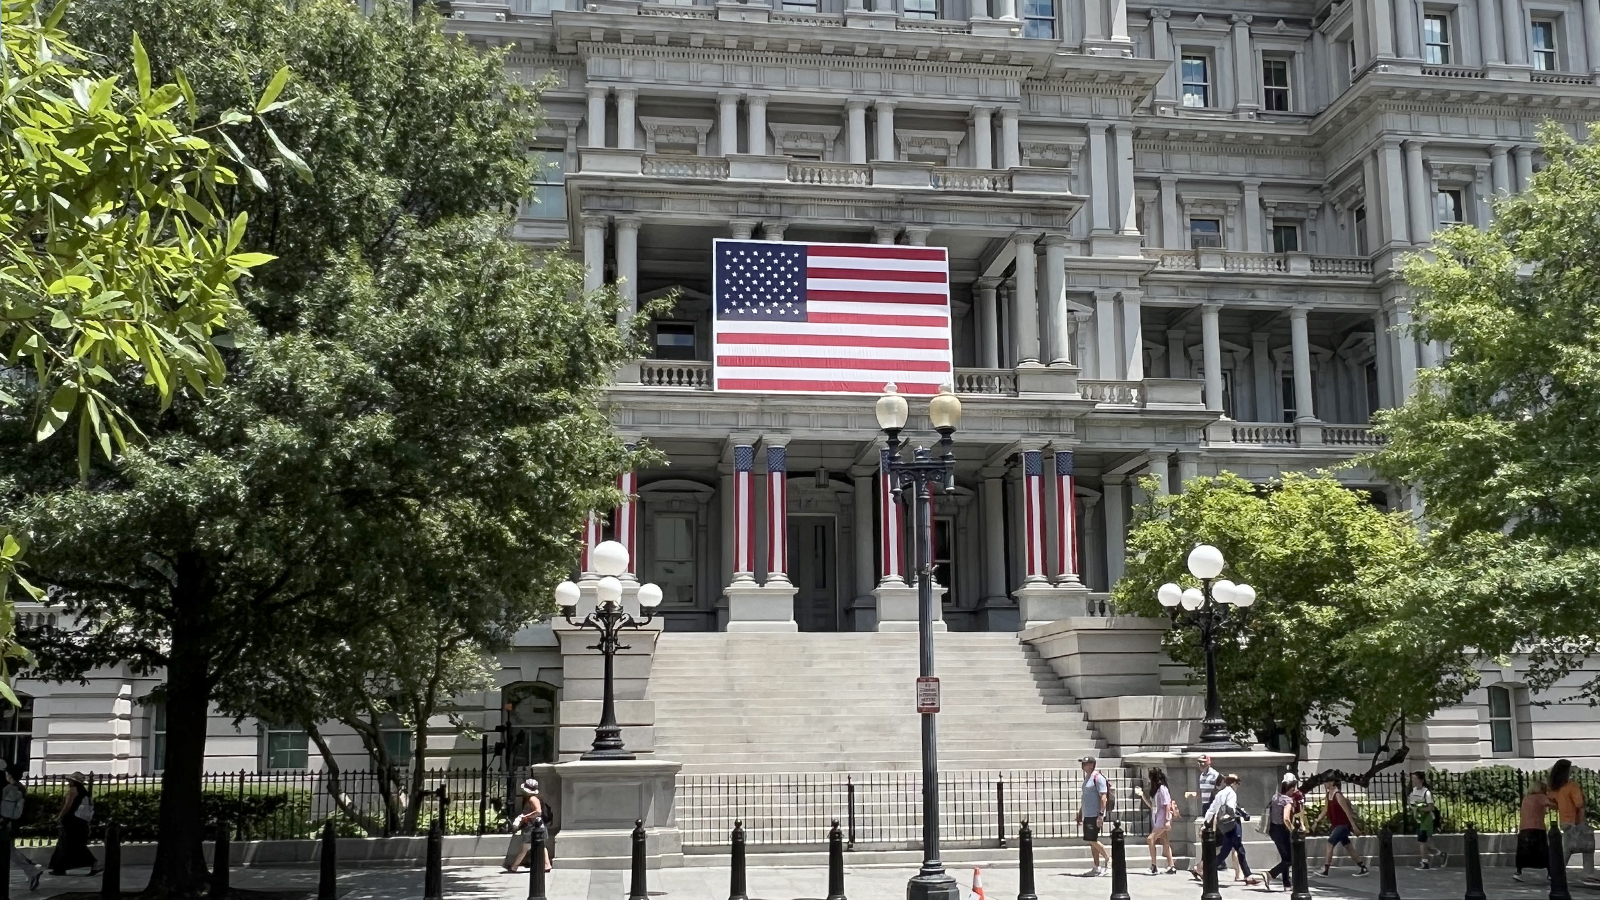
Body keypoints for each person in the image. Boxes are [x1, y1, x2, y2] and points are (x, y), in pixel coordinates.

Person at [1200, 774, 1260, 886]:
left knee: (1238, 850)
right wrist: (1238, 813)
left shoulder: (1220, 793)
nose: (1238, 786)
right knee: (1229, 851)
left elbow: (1212, 809)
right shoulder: (1231, 793)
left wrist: (1205, 823)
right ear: (1233, 783)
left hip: (1224, 826)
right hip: (1233, 824)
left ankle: (1248, 875)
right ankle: (1209, 871)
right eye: (1237, 783)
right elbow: (1231, 807)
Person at [1548, 758, 1600, 886]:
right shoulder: (1572, 786)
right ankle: (1588, 872)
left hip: (1564, 821)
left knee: (1568, 847)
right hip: (1575, 821)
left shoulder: (1557, 789)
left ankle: (1556, 872)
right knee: (1587, 846)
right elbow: (1580, 805)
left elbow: (1551, 802)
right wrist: (1581, 822)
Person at [1313, 775, 1368, 877]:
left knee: (1330, 843)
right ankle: (1362, 867)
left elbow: (1347, 812)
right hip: (1336, 825)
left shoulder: (1338, 795)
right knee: (1348, 846)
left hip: (1343, 825)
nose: (1324, 784)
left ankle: (1325, 870)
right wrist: (1317, 821)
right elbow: (1326, 810)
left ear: (1332, 782)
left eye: (1326, 782)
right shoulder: (1328, 795)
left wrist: (1354, 826)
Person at [47, 773, 98, 877]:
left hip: (71, 820)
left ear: (74, 782)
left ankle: (92, 862)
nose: (68, 782)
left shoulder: (73, 791)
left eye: (70, 781)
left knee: (68, 843)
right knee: (72, 843)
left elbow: (68, 805)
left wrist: (60, 816)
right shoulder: (84, 792)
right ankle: (60, 868)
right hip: (80, 821)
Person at [1, 766, 42, 891]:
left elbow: (7, 811)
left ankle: (32, 870)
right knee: (10, 850)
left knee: (9, 851)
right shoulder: (19, 788)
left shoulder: (10, 789)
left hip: (5, 824)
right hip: (9, 824)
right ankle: (32, 870)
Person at [1265, 772, 1305, 891]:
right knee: (1290, 859)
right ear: (1291, 787)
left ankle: (1286, 884)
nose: (1294, 791)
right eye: (1293, 788)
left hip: (1273, 830)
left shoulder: (1275, 797)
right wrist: (1293, 830)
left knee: (1284, 857)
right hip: (1282, 831)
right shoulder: (1287, 800)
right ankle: (1270, 874)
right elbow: (1286, 818)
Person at [502, 778, 551, 875]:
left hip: (533, 827)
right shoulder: (535, 798)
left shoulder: (532, 799)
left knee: (524, 847)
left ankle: (514, 866)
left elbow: (538, 812)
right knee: (541, 846)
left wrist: (525, 816)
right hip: (538, 825)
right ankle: (547, 864)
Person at [1186, 754, 1222, 878]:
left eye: (1203, 763)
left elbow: (1219, 792)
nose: (1201, 765)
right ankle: (1206, 864)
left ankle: (1202, 865)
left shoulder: (1215, 775)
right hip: (1205, 807)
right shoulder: (1201, 776)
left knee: (1209, 835)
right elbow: (1201, 794)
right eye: (1199, 763)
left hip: (1213, 807)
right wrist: (1192, 795)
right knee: (1207, 836)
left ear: (1208, 763)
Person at [1514, 779, 1554, 882]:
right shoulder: (1541, 797)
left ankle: (1518, 871)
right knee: (1543, 851)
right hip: (1537, 827)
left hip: (1524, 828)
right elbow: (1552, 805)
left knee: (1523, 851)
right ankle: (1550, 873)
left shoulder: (1526, 798)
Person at [1140, 767, 1177, 874]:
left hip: (1162, 819)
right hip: (1157, 818)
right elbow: (1153, 806)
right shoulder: (1157, 790)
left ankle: (1154, 866)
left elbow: (1167, 805)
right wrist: (1142, 796)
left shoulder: (1162, 789)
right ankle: (1171, 865)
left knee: (1150, 839)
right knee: (1165, 841)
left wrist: (1166, 820)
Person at [1078, 756, 1110, 877]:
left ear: (1092, 764)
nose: (1083, 765)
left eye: (1086, 763)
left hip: (1095, 814)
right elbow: (1086, 797)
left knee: (1091, 839)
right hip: (1088, 813)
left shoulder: (1098, 778)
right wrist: (1081, 813)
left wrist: (1101, 814)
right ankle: (1096, 866)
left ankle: (1108, 858)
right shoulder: (1087, 778)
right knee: (1091, 840)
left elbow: (1103, 797)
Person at [1407, 771, 1445, 870]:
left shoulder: (1426, 793)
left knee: (1422, 841)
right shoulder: (1413, 791)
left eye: (1415, 779)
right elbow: (1411, 803)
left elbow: (1431, 807)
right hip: (1419, 819)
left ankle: (1425, 862)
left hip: (1427, 820)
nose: (1413, 781)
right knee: (1426, 843)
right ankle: (1442, 855)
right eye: (1412, 779)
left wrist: (1420, 809)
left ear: (1421, 780)